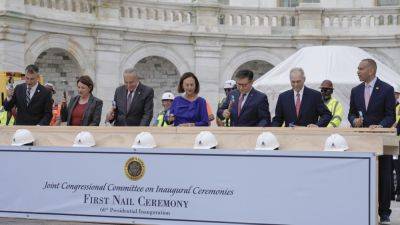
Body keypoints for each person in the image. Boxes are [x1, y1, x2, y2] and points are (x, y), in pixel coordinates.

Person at [348, 58, 396, 224]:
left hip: (381, 139)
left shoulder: (387, 89)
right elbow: (351, 113)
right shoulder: (355, 91)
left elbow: (391, 115)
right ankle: (362, 208)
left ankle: (384, 213)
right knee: (362, 175)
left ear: (371, 71)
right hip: (361, 140)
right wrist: (354, 120)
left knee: (384, 176)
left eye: (361, 69)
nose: (358, 71)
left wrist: (381, 126)